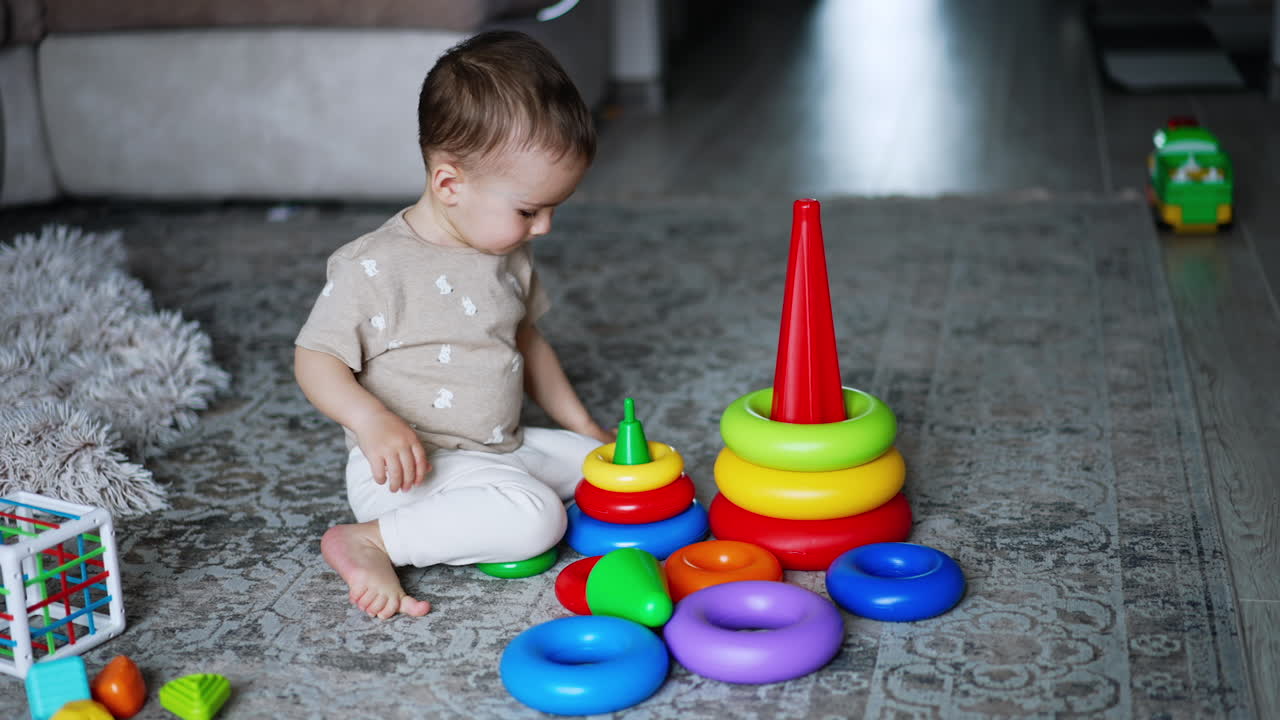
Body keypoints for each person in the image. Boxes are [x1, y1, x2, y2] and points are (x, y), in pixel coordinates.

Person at [294, 30, 611, 619]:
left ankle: (505, 494)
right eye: (529, 210)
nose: (543, 228)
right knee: (537, 518)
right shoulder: (372, 264)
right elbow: (315, 358)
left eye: (551, 210)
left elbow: (528, 343)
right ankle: (371, 540)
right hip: (406, 468)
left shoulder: (506, 252)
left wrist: (588, 427)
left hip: (495, 447)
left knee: (605, 470)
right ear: (449, 184)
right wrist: (373, 422)